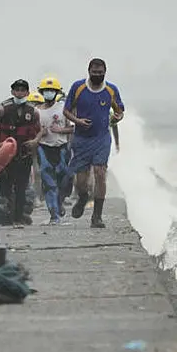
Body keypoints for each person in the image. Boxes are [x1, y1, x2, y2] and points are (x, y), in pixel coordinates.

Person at [62, 58, 125, 228]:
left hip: (102, 138)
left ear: (105, 72)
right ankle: (82, 197)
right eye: (94, 72)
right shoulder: (78, 87)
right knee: (81, 180)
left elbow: (119, 110)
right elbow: (66, 110)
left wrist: (118, 117)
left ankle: (97, 216)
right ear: (88, 71)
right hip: (82, 139)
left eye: (100, 73)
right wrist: (78, 121)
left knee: (100, 172)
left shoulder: (111, 89)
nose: (97, 75)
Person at [0, 79, 43, 228]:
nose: (20, 93)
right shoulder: (3, 108)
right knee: (5, 186)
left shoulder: (33, 111)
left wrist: (35, 142)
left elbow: (40, 131)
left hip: (23, 154)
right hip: (5, 155)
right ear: (12, 91)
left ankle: (18, 219)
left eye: (23, 90)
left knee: (21, 188)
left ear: (27, 92)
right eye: (17, 90)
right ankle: (8, 215)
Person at [35, 76, 74, 224]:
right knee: (48, 182)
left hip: (62, 148)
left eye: (52, 91)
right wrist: (40, 134)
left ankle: (60, 203)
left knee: (64, 179)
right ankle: (54, 215)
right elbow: (33, 131)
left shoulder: (64, 108)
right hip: (44, 149)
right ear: (41, 92)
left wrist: (61, 129)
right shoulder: (36, 111)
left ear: (57, 92)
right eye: (46, 91)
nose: (49, 93)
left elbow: (73, 127)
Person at [26, 91, 45, 205]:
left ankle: (38, 196)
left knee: (38, 173)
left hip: (41, 148)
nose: (35, 106)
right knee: (27, 173)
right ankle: (30, 197)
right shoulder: (25, 116)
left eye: (38, 103)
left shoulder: (44, 116)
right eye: (33, 103)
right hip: (27, 148)